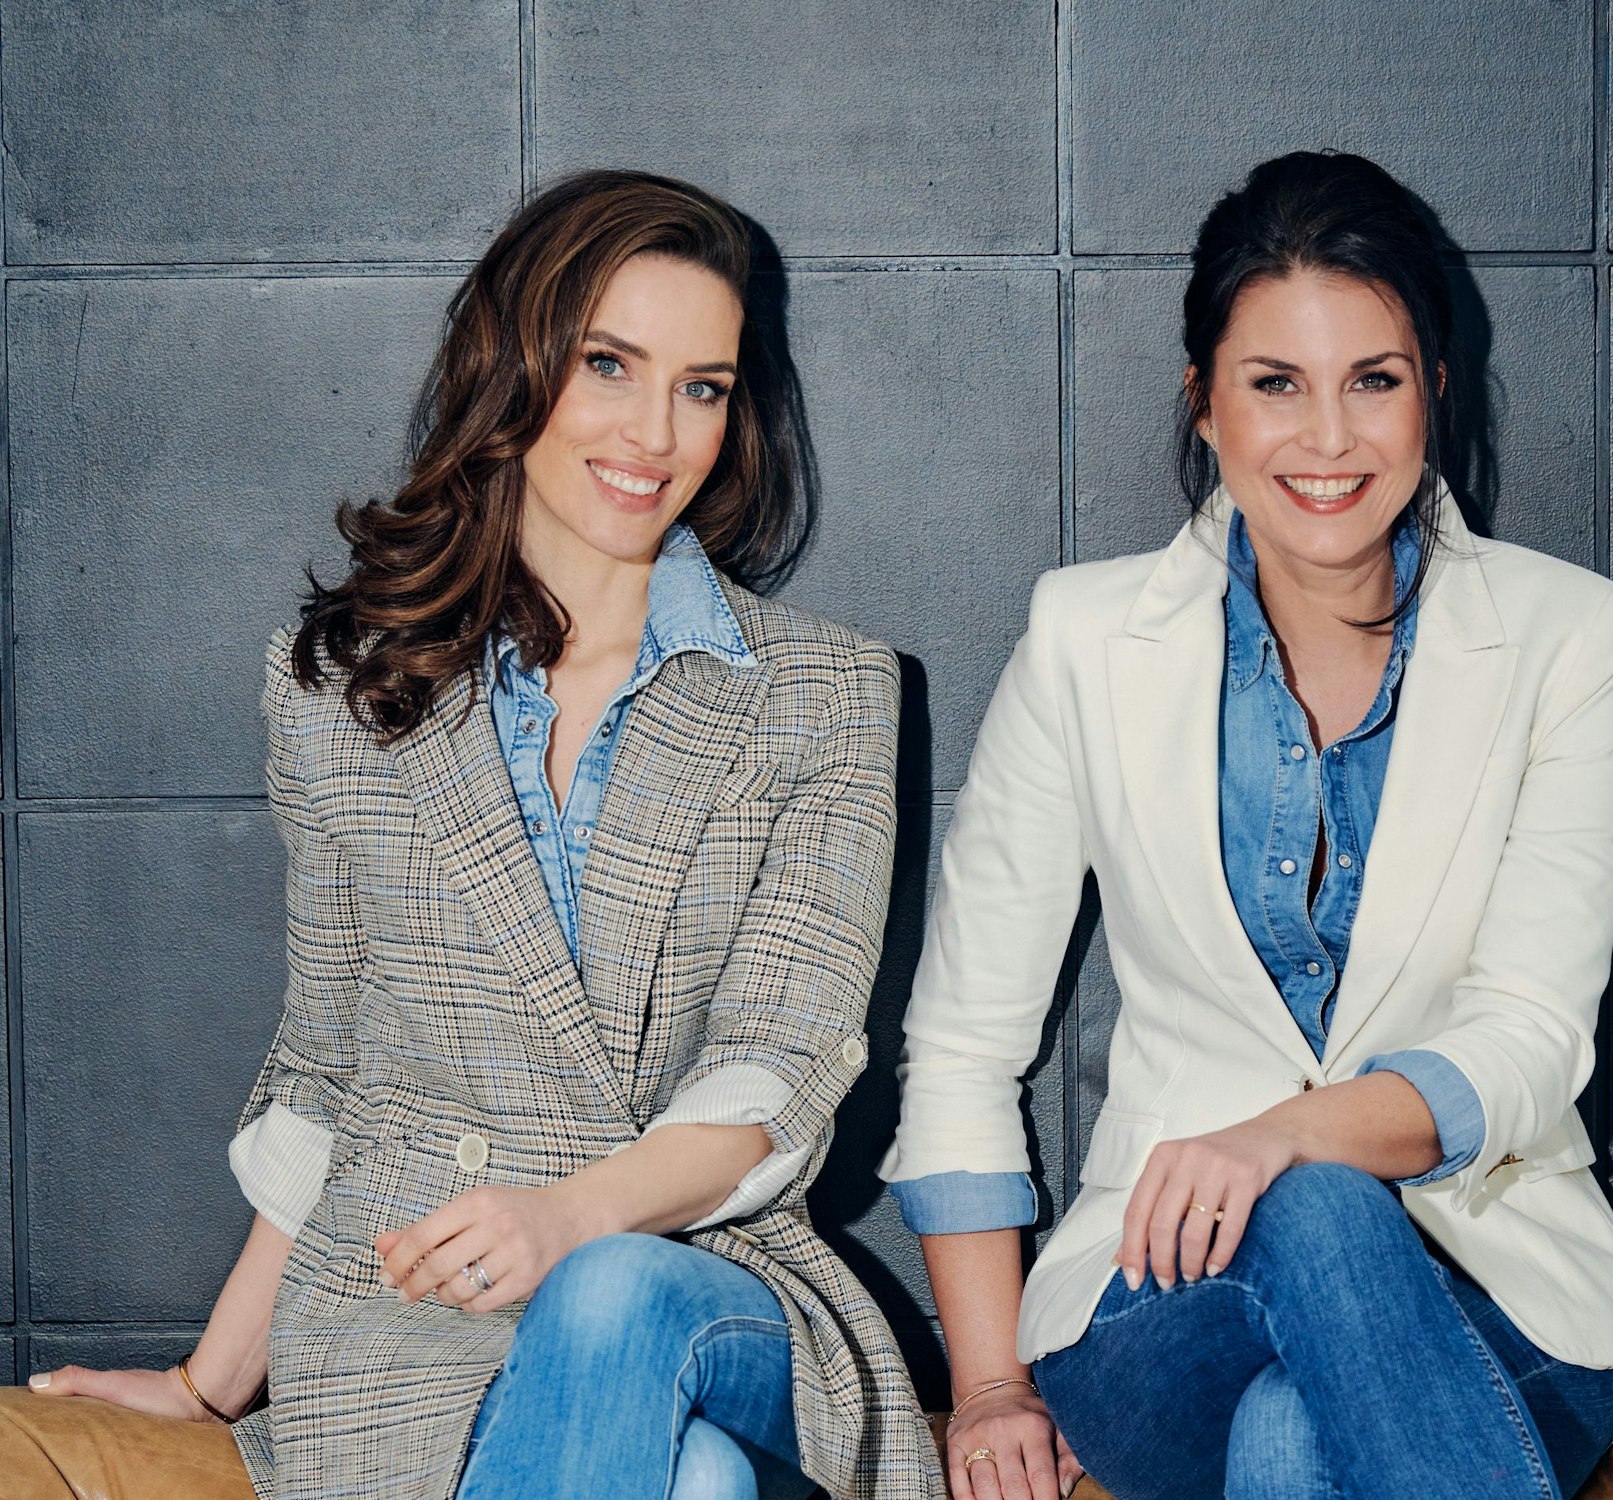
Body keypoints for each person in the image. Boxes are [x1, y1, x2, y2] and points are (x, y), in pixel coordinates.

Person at [8, 170, 939, 1500]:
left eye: (704, 386)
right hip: (404, 1316)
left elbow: (776, 1071)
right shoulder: (333, 691)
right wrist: (211, 1384)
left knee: (616, 1296)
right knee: (703, 1489)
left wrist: (570, 1219)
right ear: (514, 368)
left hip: (707, 1279)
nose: (657, 430)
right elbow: (331, 1070)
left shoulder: (827, 696)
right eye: (609, 364)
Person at [879, 151, 1613, 1500]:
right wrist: (991, 1381)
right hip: (1159, 1306)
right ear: (1206, 402)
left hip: (1504, 1301)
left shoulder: (1568, 638)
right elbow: (959, 1045)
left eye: (1376, 379)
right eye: (1275, 384)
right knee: (1307, 1222)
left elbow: (1532, 1041)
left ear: (1436, 390)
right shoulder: (1084, 641)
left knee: (1294, 1435)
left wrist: (1290, 1136)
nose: (1330, 440)